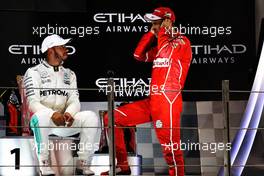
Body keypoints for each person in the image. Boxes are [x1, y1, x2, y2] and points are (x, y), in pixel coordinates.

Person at [101, 7, 192, 176]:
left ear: (167, 22)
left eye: (156, 24)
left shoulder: (182, 42)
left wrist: (164, 31)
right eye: (152, 24)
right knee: (111, 118)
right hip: (153, 101)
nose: (154, 27)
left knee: (171, 150)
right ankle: (122, 165)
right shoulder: (161, 44)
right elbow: (138, 55)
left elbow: (166, 50)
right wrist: (151, 34)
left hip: (168, 102)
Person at [23, 34, 99, 176]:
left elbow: (74, 100)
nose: (66, 49)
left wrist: (69, 113)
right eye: (62, 46)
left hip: (64, 121)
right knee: (40, 117)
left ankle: (83, 163)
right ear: (51, 49)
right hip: (45, 120)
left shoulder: (70, 74)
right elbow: (32, 102)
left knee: (91, 117)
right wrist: (52, 114)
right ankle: (44, 164)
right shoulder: (33, 72)